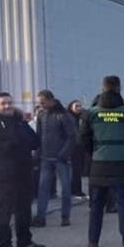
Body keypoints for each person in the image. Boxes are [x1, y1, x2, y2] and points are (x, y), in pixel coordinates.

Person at [79, 76, 124, 247]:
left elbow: (83, 139)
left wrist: (95, 153)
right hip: (123, 163)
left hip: (99, 164)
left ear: (102, 88)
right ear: (119, 88)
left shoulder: (91, 113)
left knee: (96, 206)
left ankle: (93, 244)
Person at [0, 92, 45, 247]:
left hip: (23, 171)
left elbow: (35, 141)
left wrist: (24, 142)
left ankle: (25, 241)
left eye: (9, 103)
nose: (7, 106)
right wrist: (10, 144)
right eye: (3, 103)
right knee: (3, 210)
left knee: (24, 208)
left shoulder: (20, 122)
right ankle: (4, 245)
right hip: (2, 173)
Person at [34, 89, 78, 227]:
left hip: (61, 159)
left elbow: (72, 136)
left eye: (42, 102)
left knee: (65, 189)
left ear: (50, 100)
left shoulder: (63, 115)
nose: (40, 105)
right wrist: (38, 153)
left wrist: (63, 154)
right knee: (43, 188)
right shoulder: (41, 114)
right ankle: (40, 217)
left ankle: (65, 216)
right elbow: (39, 135)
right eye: (39, 103)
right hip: (46, 157)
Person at [67, 99, 88, 200]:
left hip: (80, 146)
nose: (79, 108)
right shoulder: (69, 118)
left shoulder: (82, 117)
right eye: (76, 106)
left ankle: (76, 190)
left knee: (78, 170)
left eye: (80, 106)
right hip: (72, 147)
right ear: (71, 107)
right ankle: (75, 190)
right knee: (75, 170)